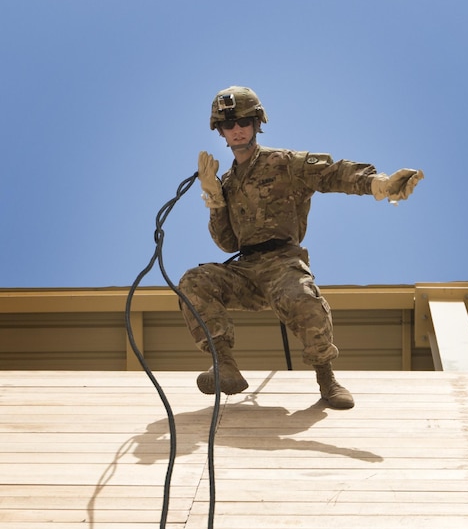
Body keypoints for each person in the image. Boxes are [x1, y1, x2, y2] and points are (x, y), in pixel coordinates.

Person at [179, 85, 423, 409]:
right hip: (245, 270)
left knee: (304, 301)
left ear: (256, 123)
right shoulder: (227, 182)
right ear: (220, 132)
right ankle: (224, 364)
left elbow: (333, 173)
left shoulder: (284, 163)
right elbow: (227, 243)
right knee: (193, 282)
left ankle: (327, 379)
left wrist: (377, 183)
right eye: (228, 125)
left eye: (243, 122)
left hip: (282, 262)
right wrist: (214, 198)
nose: (237, 130)